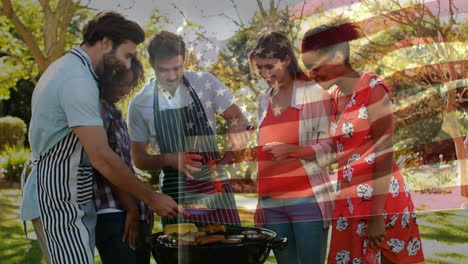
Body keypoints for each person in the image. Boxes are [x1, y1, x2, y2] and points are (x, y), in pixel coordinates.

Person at [20, 12, 184, 264]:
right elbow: (102, 158)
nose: (129, 65)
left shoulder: (68, 68)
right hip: (59, 197)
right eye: (127, 55)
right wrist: (151, 198)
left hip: (71, 197)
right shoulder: (77, 79)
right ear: (106, 43)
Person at [301, 20, 425, 264]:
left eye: (315, 67)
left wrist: (377, 216)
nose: (311, 74)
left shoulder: (372, 88)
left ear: (337, 57)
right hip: (349, 204)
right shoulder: (334, 97)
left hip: (382, 204)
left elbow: (384, 154)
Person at [128, 31, 250, 227]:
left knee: (229, 248)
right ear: (151, 63)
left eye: (178, 68)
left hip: (215, 185)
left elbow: (239, 118)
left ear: (185, 59)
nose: (172, 76)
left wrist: (238, 128)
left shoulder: (204, 82)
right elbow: (139, 159)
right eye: (163, 70)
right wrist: (169, 158)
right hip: (175, 193)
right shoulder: (140, 103)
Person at [249, 31, 335, 264]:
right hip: (271, 203)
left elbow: (331, 149)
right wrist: (261, 201)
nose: (265, 74)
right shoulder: (264, 100)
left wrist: (293, 151)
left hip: (307, 201)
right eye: (260, 68)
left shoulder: (315, 94)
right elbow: (262, 156)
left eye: (270, 66)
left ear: (286, 59)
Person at [94, 57, 151, 264]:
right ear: (109, 78)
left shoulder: (114, 110)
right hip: (115, 211)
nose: (127, 90)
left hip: (132, 208)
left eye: (131, 84)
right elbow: (105, 163)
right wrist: (131, 208)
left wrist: (144, 202)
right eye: (123, 83)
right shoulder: (99, 109)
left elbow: (125, 165)